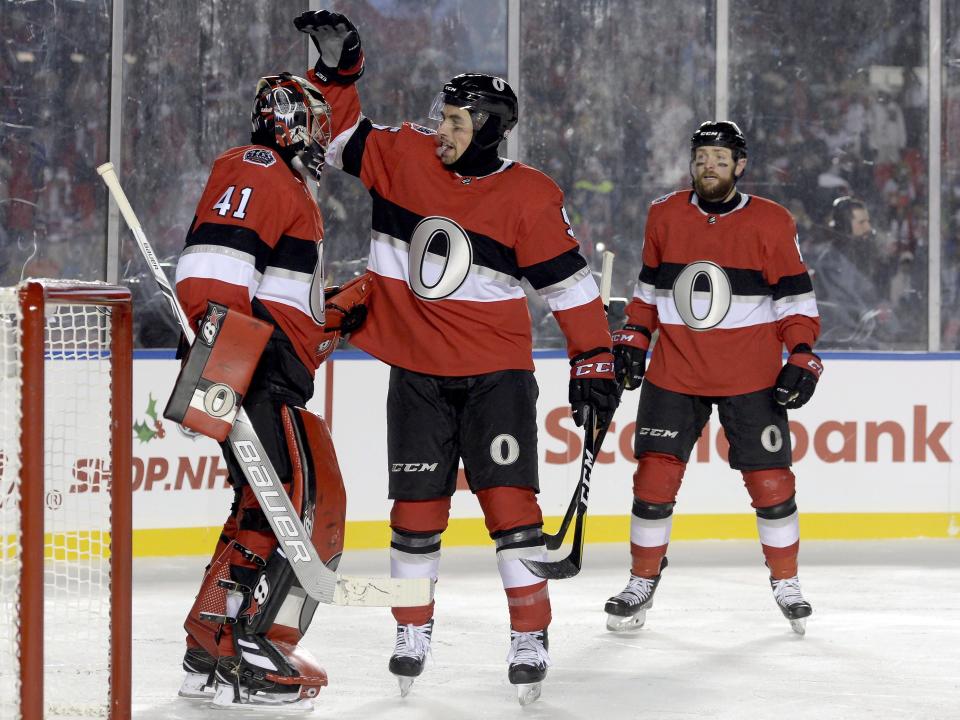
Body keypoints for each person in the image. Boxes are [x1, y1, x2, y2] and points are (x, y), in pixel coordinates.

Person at [292, 9, 619, 705]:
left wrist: (594, 360)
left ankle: (530, 635)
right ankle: (412, 630)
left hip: (497, 378)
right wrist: (338, 70)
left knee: (512, 513)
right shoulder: (404, 155)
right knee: (414, 517)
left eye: (456, 122)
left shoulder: (529, 196)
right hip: (416, 376)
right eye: (441, 117)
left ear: (493, 130)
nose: (441, 130)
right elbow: (337, 132)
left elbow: (569, 287)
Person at [169, 72, 370, 709]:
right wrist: (222, 358)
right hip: (244, 365)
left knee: (266, 506)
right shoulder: (257, 166)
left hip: (258, 365)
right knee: (284, 503)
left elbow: (281, 301)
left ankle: (209, 641)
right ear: (288, 122)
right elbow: (212, 270)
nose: (321, 138)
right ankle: (246, 650)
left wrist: (331, 315)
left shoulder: (289, 188)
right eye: (314, 123)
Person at [604, 121, 823, 636]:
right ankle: (642, 578)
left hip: (750, 375)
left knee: (772, 485)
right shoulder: (664, 214)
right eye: (702, 157)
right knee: (653, 483)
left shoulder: (771, 222)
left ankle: (787, 581)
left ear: (740, 166)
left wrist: (802, 353)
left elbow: (795, 301)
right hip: (675, 370)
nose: (709, 166)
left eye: (721, 159)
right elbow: (648, 292)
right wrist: (635, 336)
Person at [803, 196, 902, 348]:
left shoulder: (864, 257)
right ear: (845, 226)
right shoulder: (830, 263)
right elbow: (848, 312)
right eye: (862, 222)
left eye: (868, 221)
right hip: (842, 345)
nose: (868, 228)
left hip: (865, 339)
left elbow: (874, 299)